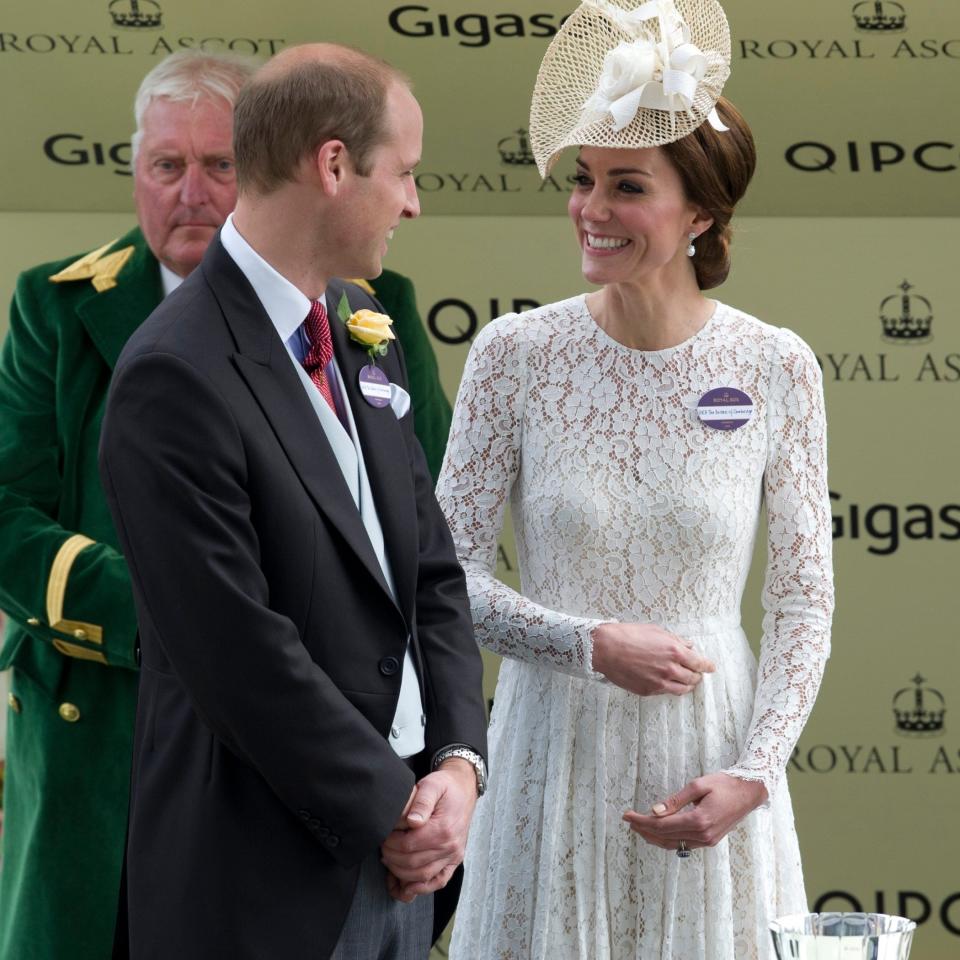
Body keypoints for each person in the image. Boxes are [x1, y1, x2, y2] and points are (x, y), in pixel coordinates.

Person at [437, 1, 833, 958]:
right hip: (548, 751)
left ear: (699, 211)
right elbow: (441, 580)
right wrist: (585, 643)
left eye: (626, 186)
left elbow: (802, 596)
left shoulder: (778, 365)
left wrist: (756, 772)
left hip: (716, 759)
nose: (590, 209)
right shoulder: (515, 355)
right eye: (583, 181)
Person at [98, 43, 487, 960]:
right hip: (261, 885)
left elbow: (430, 573)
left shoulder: (365, 331)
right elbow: (238, 654)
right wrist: (393, 808)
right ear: (334, 163)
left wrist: (458, 768)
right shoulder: (174, 372)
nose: (414, 201)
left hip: (405, 863)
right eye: (405, 172)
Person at [0, 50, 256, 960]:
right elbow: (5, 509)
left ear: (264, 168)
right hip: (94, 723)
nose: (192, 192)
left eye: (220, 164)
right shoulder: (53, 306)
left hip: (275, 726)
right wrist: (163, 618)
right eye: (166, 165)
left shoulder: (361, 312)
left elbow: (412, 528)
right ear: (135, 172)